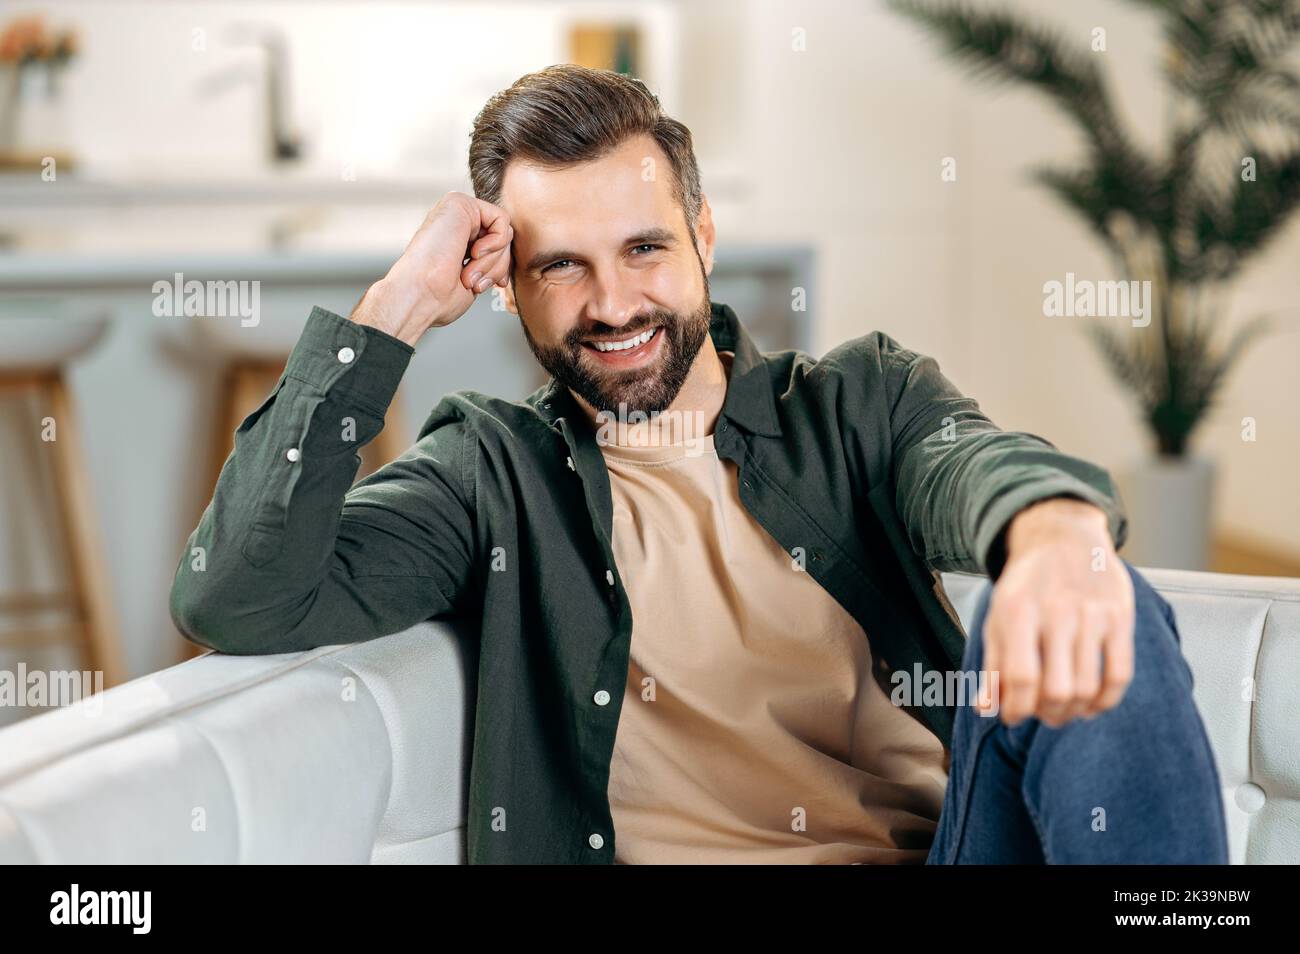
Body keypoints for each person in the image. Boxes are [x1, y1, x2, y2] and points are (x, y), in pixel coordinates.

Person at [170, 64, 1228, 864]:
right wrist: (392, 313)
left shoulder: (859, 401)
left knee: (1095, 589)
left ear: (703, 237)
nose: (615, 304)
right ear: (504, 286)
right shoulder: (490, 474)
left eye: (644, 249)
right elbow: (236, 597)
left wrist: (1052, 536)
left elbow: (976, 465)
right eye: (561, 268)